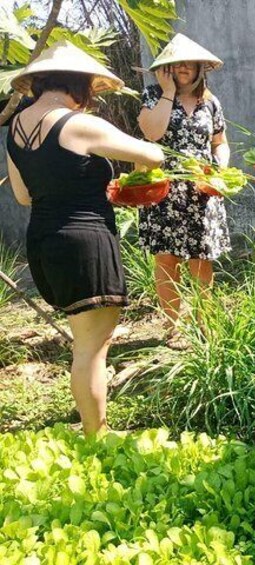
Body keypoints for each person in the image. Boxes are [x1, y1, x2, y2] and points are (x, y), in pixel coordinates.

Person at [5, 41, 164, 435]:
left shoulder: (16, 129)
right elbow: (154, 156)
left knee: (84, 342)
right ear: (80, 86)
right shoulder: (78, 124)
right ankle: (98, 434)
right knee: (92, 348)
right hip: (85, 238)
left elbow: (24, 196)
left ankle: (93, 426)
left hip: (43, 239)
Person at [137, 34, 230, 342]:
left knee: (201, 259)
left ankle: (206, 324)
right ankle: (170, 328)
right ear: (167, 68)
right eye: (177, 63)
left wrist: (221, 167)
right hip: (164, 191)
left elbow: (220, 142)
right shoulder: (152, 95)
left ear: (200, 67)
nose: (184, 67)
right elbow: (152, 133)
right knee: (166, 259)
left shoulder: (211, 102)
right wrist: (167, 93)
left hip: (202, 190)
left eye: (190, 63)